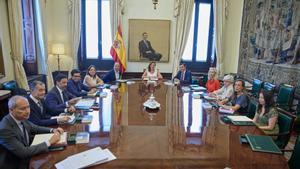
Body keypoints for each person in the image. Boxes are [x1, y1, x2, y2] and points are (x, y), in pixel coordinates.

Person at [0, 95, 64, 169]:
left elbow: (35, 128)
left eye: (28, 107)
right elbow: (23, 152)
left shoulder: (21, 117)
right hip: (19, 164)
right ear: (11, 110)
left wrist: (52, 130)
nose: (27, 111)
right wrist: (49, 142)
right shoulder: (4, 129)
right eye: (23, 108)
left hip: (30, 154)